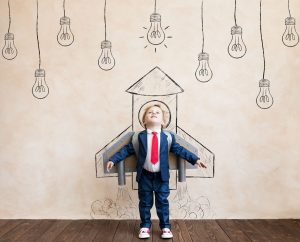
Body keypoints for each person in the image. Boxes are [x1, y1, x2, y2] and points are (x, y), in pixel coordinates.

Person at [106, 104, 207, 239]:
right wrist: (114, 159)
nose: (153, 113)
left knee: (162, 202)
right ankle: (145, 226)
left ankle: (165, 226)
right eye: (150, 112)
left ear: (163, 122)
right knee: (145, 203)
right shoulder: (139, 137)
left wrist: (195, 159)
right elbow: (127, 150)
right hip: (145, 176)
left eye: (157, 112)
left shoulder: (168, 138)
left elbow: (180, 150)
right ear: (144, 121)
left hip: (162, 176)